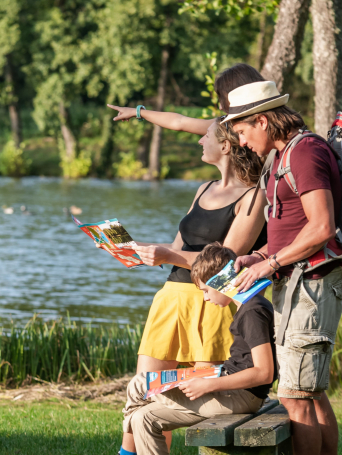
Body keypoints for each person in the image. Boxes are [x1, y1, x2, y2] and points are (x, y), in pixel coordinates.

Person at [103, 63, 269, 452]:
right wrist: (142, 253)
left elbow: (227, 262)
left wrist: (170, 254)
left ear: (226, 143)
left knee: (184, 399)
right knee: (142, 395)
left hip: (212, 305)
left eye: (208, 135)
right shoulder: (203, 187)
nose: (200, 139)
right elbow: (179, 245)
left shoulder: (253, 195)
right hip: (172, 300)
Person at [226, 80, 342, 455]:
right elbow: (292, 231)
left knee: (295, 397)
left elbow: (323, 227)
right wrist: (261, 256)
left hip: (310, 287)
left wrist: (272, 263)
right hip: (298, 283)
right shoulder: (282, 156)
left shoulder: (305, 153)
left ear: (262, 121)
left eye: (243, 132)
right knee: (309, 394)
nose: (243, 143)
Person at [119, 243, 276, 455]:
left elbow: (265, 373)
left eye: (205, 290)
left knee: (139, 384)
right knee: (143, 418)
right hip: (226, 384)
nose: (205, 298)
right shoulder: (247, 304)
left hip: (240, 396)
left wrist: (208, 386)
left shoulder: (252, 312)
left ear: (222, 282)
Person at [106, 63, 266, 136]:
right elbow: (179, 122)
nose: (221, 106)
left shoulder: (274, 128)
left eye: (222, 98)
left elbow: (180, 123)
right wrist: (137, 112)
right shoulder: (228, 125)